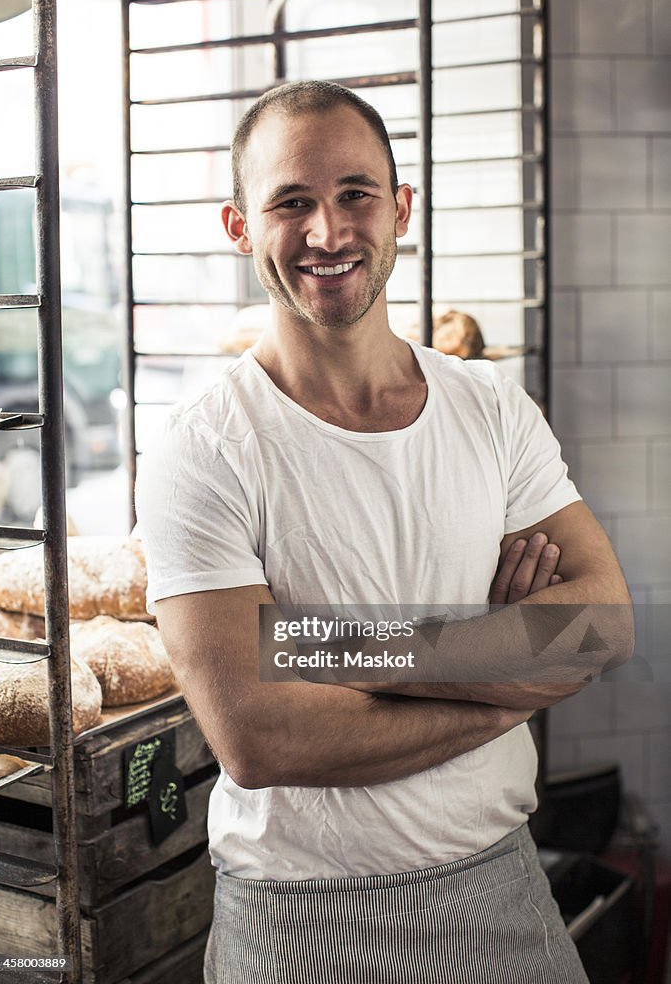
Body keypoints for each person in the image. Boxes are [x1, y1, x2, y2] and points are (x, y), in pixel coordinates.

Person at [135, 80, 633, 984]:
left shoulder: (489, 408)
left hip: (501, 886)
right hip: (296, 919)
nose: (327, 233)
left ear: (400, 209)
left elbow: (601, 625)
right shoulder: (202, 446)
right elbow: (260, 740)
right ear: (240, 227)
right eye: (290, 202)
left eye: (355, 194)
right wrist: (509, 671)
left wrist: (327, 644)